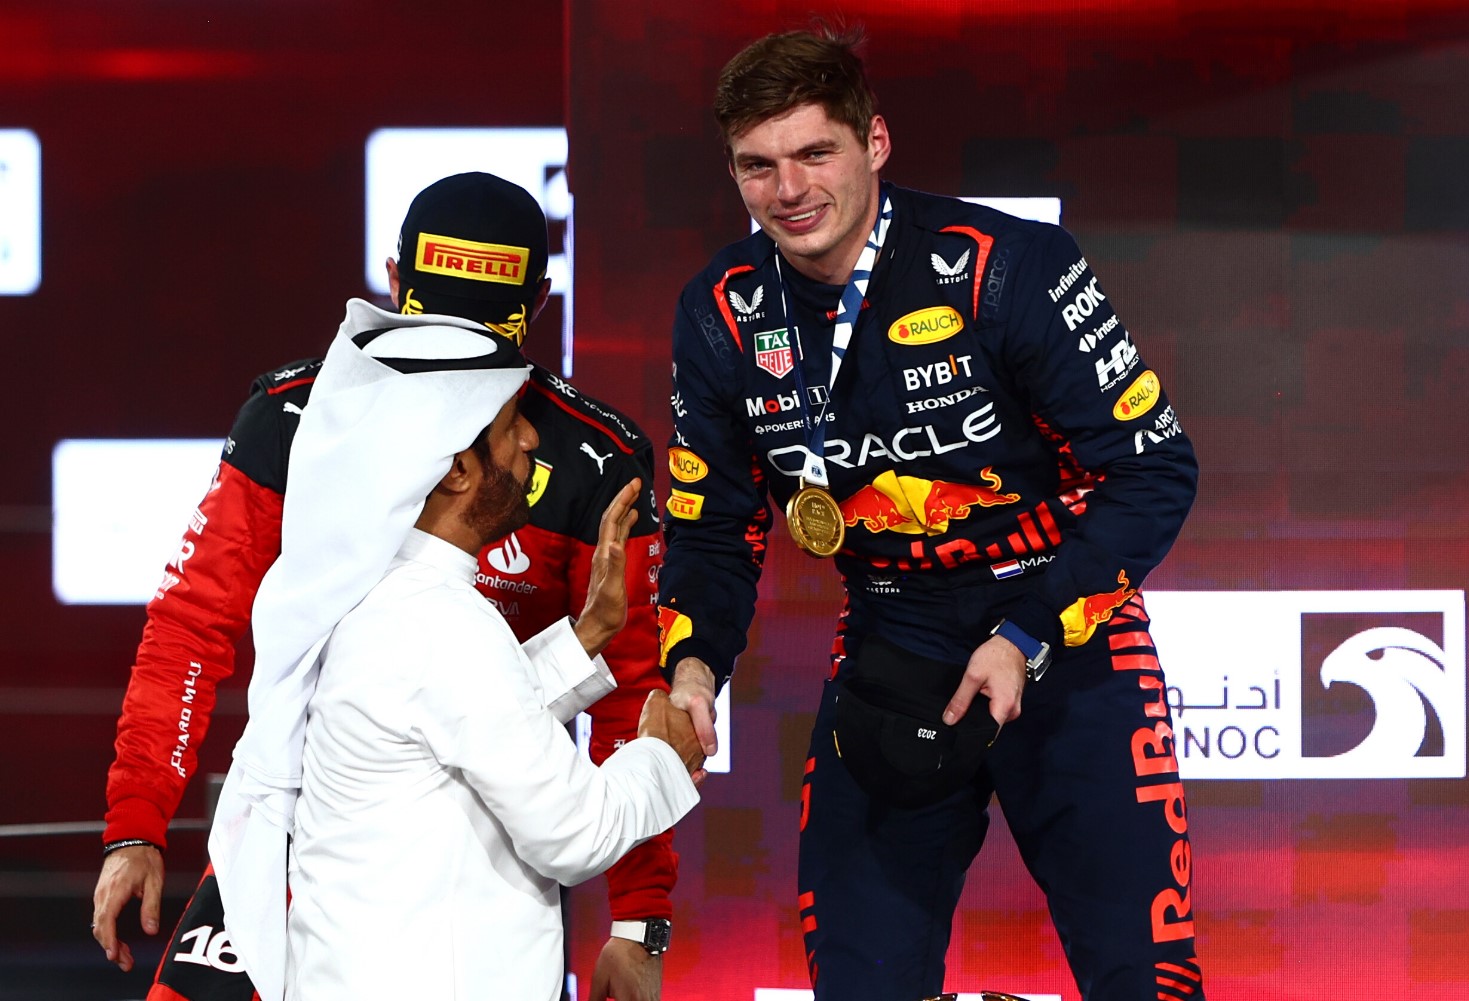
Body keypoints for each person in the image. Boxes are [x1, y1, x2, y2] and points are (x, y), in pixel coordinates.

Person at [660, 25, 1203, 1001]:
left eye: (814, 153)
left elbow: (1152, 471)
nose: (789, 191)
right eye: (757, 166)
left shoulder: (1008, 265)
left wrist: (1031, 628)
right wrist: (695, 661)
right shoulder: (722, 313)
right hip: (891, 643)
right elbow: (713, 523)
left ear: (874, 143)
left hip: (1069, 645)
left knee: (1146, 982)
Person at [93, 173, 685, 1001]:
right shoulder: (291, 419)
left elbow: (618, 692)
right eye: (435, 308)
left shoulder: (590, 461)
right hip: (288, 828)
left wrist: (637, 921)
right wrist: (136, 824)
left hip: (450, 865)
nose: (455, 350)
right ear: (393, 278)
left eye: (487, 322)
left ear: (540, 301)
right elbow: (193, 628)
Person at [251, 311, 702, 1000]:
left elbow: (451, 729)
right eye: (509, 427)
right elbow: (575, 832)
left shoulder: (383, 592)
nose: (530, 442)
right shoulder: (443, 625)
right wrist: (664, 756)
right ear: (459, 470)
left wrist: (585, 636)